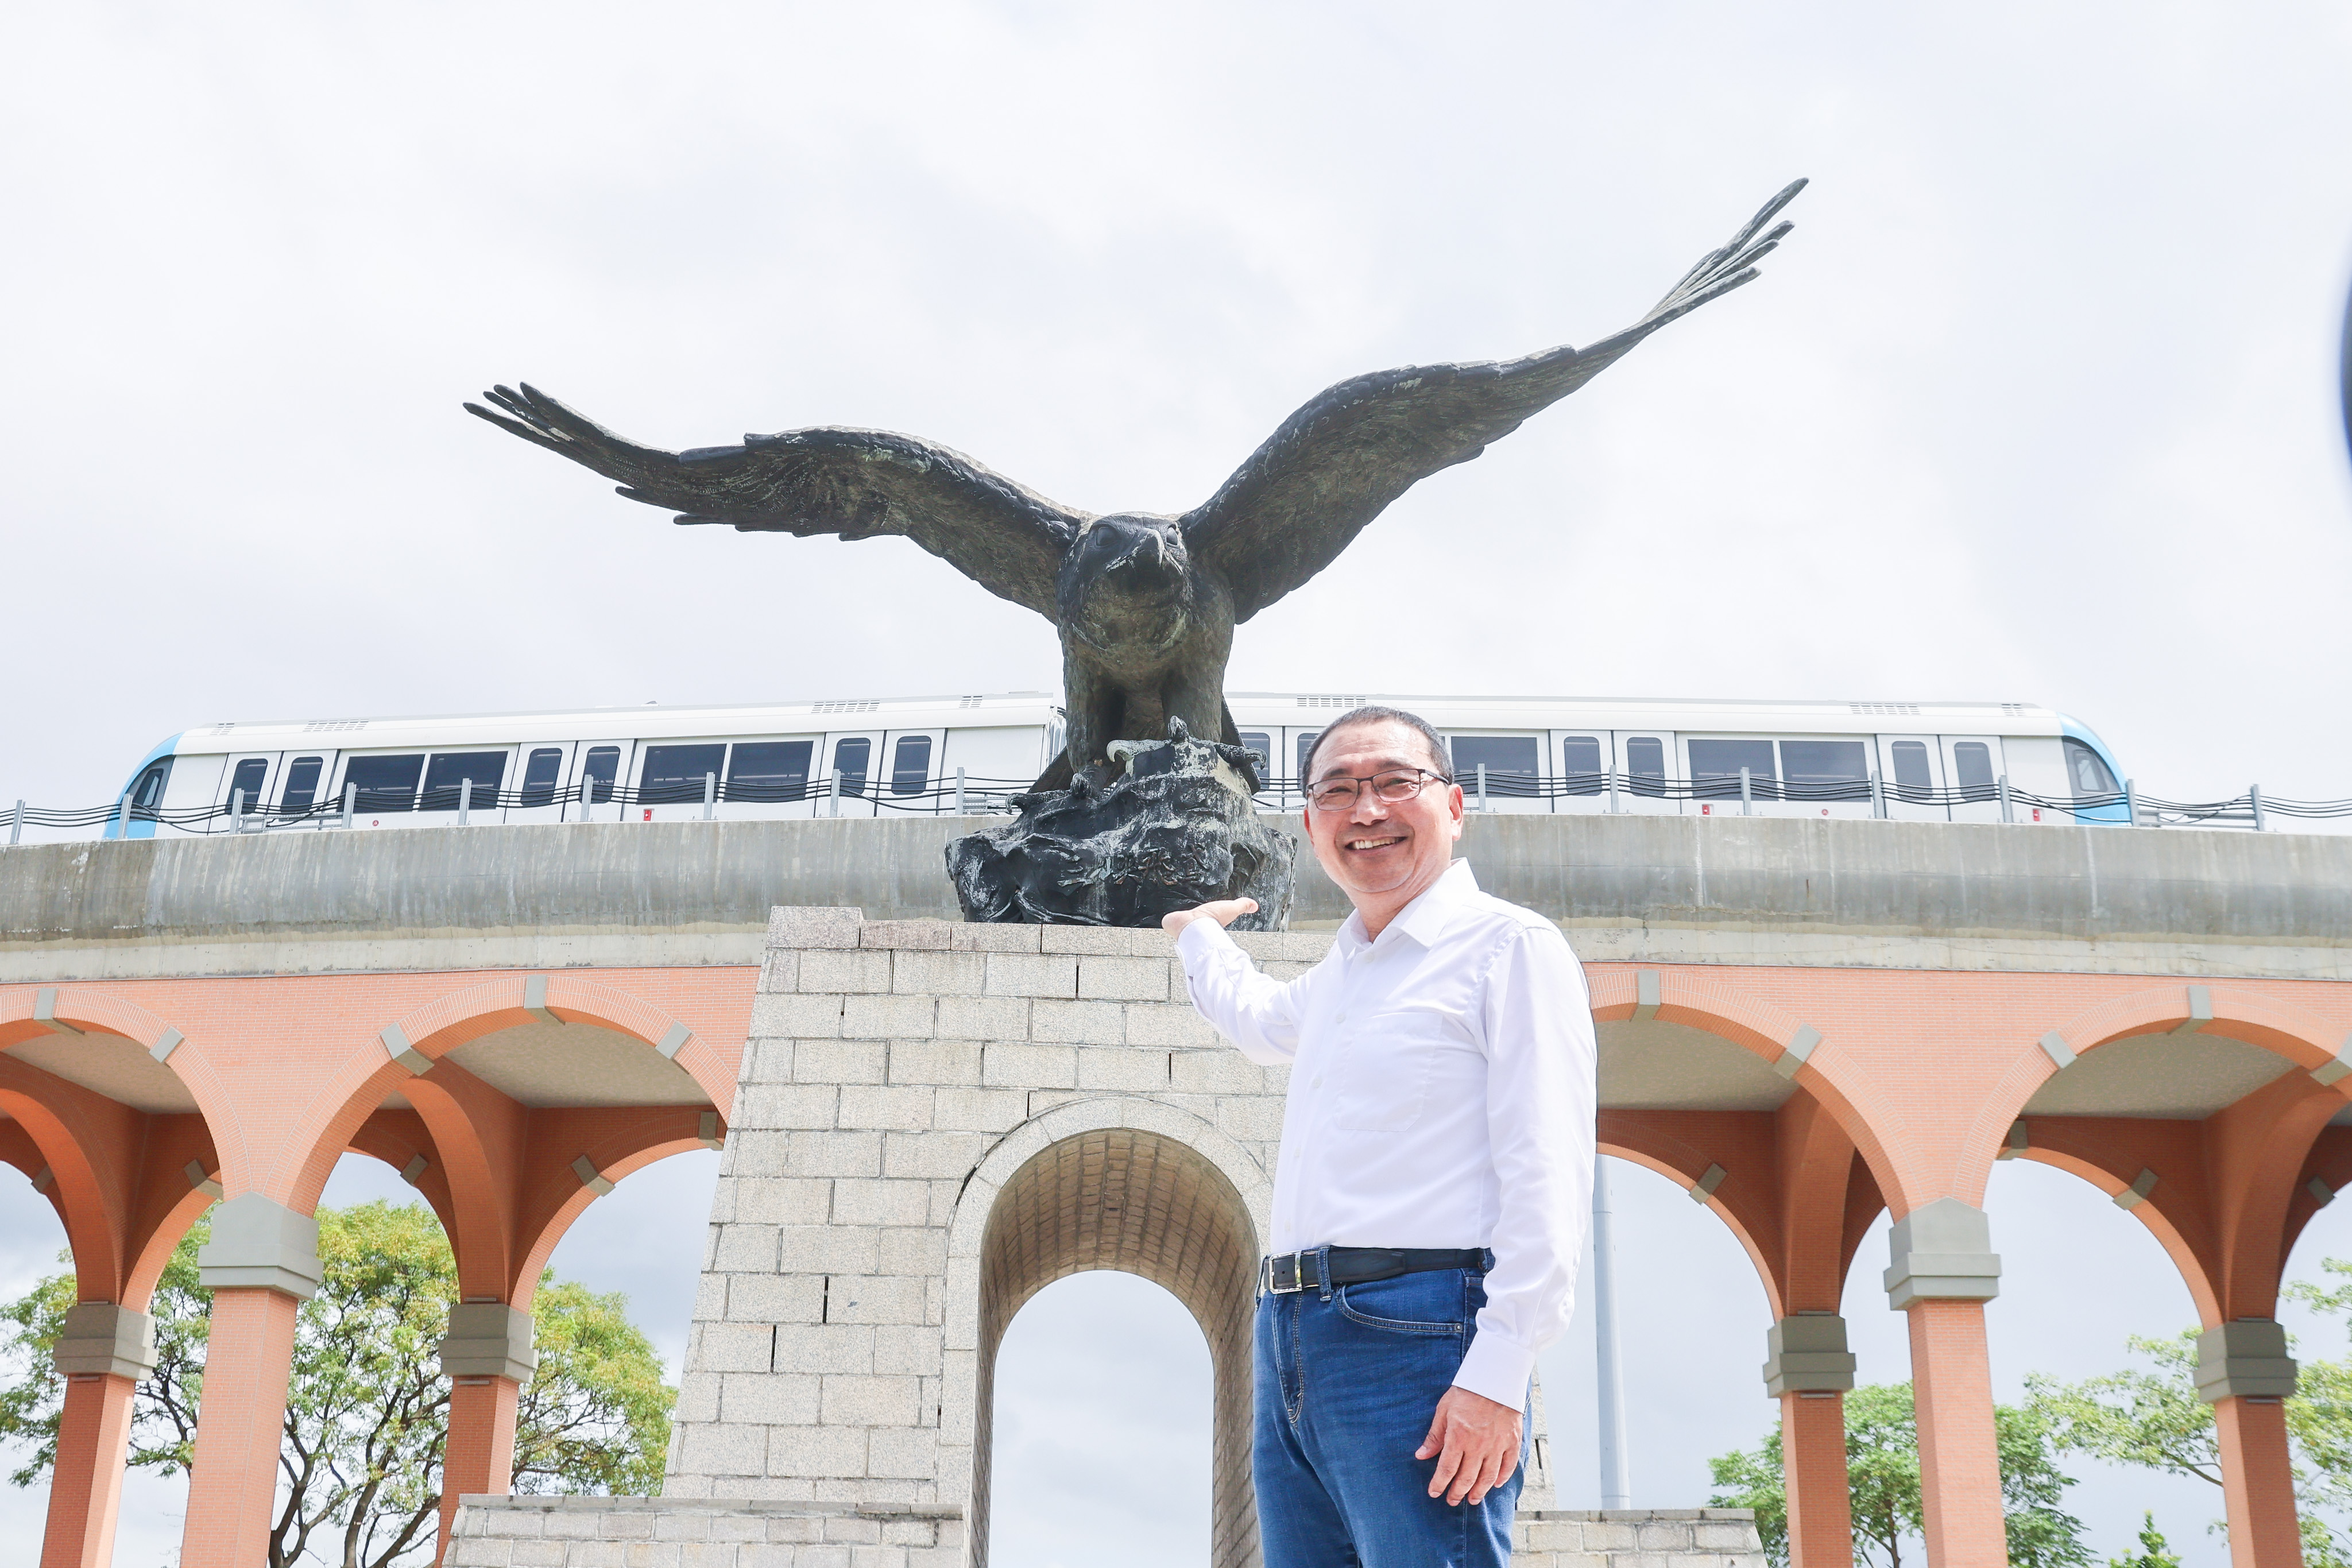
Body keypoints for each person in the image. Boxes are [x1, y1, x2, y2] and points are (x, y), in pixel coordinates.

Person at [1163, 705, 1597, 1568]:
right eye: (1338, 790)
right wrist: (1200, 938)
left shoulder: (1509, 949)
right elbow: (1258, 1022)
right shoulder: (1342, 976)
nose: (1367, 810)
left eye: (1396, 783)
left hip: (1420, 1337)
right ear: (1310, 823)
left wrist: (1499, 1369)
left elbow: (1546, 1169)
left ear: (1455, 805)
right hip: (1291, 1336)